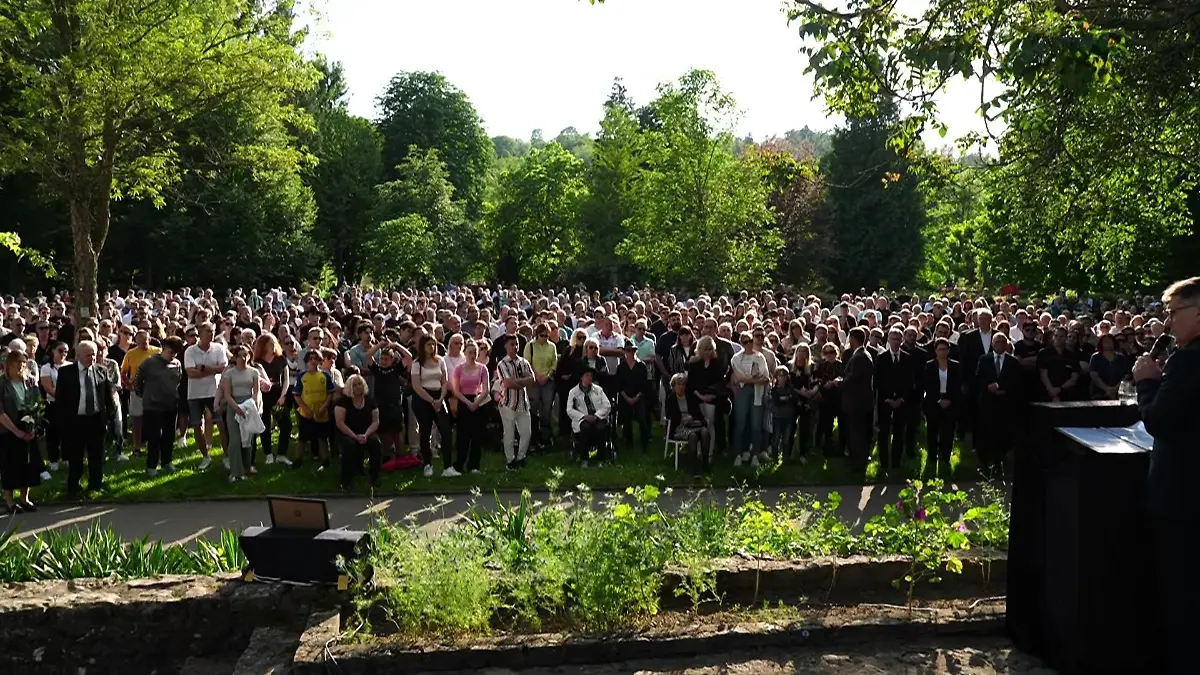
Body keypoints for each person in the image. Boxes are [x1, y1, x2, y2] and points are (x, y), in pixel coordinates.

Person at [1133, 276, 1200, 675]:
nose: (1168, 323)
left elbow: (1159, 420)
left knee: (1183, 599)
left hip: (1182, 498)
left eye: (1175, 313)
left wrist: (1145, 385)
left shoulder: (1189, 360)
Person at [55, 341, 116, 496]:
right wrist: (64, 422)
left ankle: (95, 485)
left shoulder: (101, 371)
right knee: (76, 455)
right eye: (88, 355)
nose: (92, 358)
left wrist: (108, 418)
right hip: (75, 420)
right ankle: (74, 486)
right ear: (78, 356)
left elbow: (108, 398)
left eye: (94, 354)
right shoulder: (66, 373)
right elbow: (60, 400)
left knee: (97, 454)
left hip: (96, 419)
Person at [135, 336, 184, 476]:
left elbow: (178, 381)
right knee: (154, 437)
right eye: (171, 352)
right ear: (164, 349)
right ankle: (151, 466)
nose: (173, 355)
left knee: (169, 436)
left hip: (170, 405)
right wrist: (145, 395)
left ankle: (167, 462)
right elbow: (138, 381)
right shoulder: (149, 363)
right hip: (152, 406)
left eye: (175, 353)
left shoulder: (177, 364)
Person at [974, 332, 1021, 478]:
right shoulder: (984, 359)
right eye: (997, 341)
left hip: (1005, 404)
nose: (1000, 344)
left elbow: (1017, 382)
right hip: (987, 403)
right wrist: (988, 386)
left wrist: (1004, 389)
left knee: (1002, 434)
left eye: (1003, 341)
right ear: (993, 344)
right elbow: (978, 378)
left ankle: (998, 463)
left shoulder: (1013, 362)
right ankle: (985, 463)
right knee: (986, 432)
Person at [0, 348, 40, 514]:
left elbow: (37, 403)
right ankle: (9, 501)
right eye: (18, 363)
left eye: (24, 362)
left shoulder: (30, 381)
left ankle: (25, 499)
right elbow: (0, 412)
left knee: (28, 465)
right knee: (9, 466)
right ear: (9, 365)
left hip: (28, 428)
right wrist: (16, 431)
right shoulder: (2, 383)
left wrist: (32, 427)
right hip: (8, 430)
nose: (21, 366)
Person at [184, 323, 228, 470]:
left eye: (213, 331)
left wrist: (202, 368)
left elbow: (223, 368)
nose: (211, 334)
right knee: (197, 425)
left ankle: (227, 456)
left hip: (214, 392)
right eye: (208, 331)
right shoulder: (190, 351)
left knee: (221, 424)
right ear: (200, 332)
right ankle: (206, 456)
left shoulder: (219, 348)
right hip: (195, 394)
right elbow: (190, 372)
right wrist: (212, 370)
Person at [410, 335, 453, 477]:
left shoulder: (440, 361)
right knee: (425, 431)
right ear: (422, 346)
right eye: (428, 344)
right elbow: (416, 386)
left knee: (446, 430)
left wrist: (440, 398)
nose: (432, 347)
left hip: (439, 396)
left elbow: (444, 381)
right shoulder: (417, 363)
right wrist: (431, 400)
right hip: (423, 398)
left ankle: (448, 466)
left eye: (433, 344)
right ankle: (427, 464)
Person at [219, 344, 263, 483]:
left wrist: (253, 405)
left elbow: (256, 392)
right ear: (235, 357)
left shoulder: (254, 372)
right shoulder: (229, 373)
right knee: (235, 439)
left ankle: (247, 467)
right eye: (241, 355)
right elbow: (227, 393)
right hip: (234, 405)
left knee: (247, 439)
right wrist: (236, 407)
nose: (244, 358)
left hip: (248, 405)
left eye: (247, 355)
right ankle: (235, 471)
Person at [922, 338, 961, 478]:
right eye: (940, 349)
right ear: (935, 351)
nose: (942, 352)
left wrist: (949, 399)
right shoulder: (930, 365)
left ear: (949, 350)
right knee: (932, 430)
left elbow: (957, 385)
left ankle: (945, 456)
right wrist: (937, 400)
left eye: (945, 349)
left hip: (950, 402)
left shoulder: (955, 366)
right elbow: (927, 385)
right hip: (934, 402)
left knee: (948, 430)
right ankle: (932, 456)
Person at [334, 374, 381, 492]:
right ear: (350, 387)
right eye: (355, 385)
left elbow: (375, 421)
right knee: (349, 445)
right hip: (347, 433)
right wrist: (355, 436)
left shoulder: (370, 401)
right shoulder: (342, 402)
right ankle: (346, 481)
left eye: (360, 384)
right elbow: (340, 423)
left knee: (376, 443)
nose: (358, 387)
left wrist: (366, 435)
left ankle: (375, 476)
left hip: (366, 432)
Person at [450, 340, 490, 475]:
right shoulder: (459, 369)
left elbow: (486, 389)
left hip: (479, 401)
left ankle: (474, 465)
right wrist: (468, 403)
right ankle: (459, 464)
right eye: (470, 352)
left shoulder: (483, 368)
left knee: (477, 436)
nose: (472, 355)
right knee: (463, 435)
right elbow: (456, 390)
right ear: (465, 353)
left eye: (475, 353)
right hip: (463, 401)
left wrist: (476, 402)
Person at [495, 336, 535, 470]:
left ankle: (521, 457)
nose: (515, 347)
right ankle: (510, 460)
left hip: (523, 403)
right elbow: (506, 383)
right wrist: (522, 382)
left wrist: (517, 382)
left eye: (516, 344)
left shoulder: (524, 362)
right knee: (509, 434)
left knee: (526, 433)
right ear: (506, 346)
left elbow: (532, 378)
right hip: (508, 404)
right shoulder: (502, 364)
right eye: (512, 344)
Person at [730, 333, 770, 466]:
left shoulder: (760, 357)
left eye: (750, 341)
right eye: (745, 342)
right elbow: (739, 378)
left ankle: (755, 455)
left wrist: (751, 380)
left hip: (757, 392)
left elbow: (766, 377)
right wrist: (754, 379)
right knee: (740, 423)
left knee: (756, 425)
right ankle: (738, 454)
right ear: (741, 343)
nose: (748, 344)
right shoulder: (736, 358)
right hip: (742, 392)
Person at [120, 329, 160, 460]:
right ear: (136, 341)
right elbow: (123, 372)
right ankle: (136, 447)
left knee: (154, 419)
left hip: (154, 390)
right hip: (137, 391)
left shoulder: (157, 352)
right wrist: (129, 386)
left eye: (147, 340)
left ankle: (154, 445)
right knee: (137, 419)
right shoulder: (130, 354)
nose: (145, 343)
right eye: (141, 341)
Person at [840, 327, 875, 473]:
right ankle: (858, 459)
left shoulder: (860, 356)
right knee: (858, 432)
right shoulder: (862, 354)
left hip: (857, 403)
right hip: (860, 401)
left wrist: (839, 383)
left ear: (853, 339)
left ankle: (858, 463)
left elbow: (853, 379)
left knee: (857, 433)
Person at [292, 350, 334, 470]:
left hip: (321, 412)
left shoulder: (325, 376)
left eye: (316, 359)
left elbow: (330, 393)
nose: (313, 361)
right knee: (302, 438)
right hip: (306, 413)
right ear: (306, 361)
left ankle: (325, 460)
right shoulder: (302, 376)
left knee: (322, 437)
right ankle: (298, 459)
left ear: (320, 361)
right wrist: (305, 408)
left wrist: (324, 407)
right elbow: (297, 395)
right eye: (310, 359)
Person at [664, 372, 709, 475]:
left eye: (683, 384)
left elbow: (698, 414)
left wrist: (691, 417)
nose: (681, 387)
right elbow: (669, 415)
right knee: (692, 436)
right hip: (678, 427)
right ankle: (693, 466)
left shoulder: (690, 397)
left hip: (693, 424)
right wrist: (681, 419)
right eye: (678, 385)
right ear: (673, 386)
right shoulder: (670, 398)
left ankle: (705, 463)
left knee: (705, 432)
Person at [566, 365, 611, 467]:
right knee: (585, 428)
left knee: (601, 427)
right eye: (587, 375)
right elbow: (569, 410)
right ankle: (584, 458)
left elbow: (607, 405)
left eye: (591, 376)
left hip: (598, 417)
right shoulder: (573, 392)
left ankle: (601, 458)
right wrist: (584, 416)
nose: (589, 378)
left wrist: (596, 416)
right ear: (581, 377)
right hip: (583, 419)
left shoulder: (598, 390)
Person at [523, 323, 558, 449]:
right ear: (537, 334)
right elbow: (527, 362)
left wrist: (548, 376)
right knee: (533, 408)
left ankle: (546, 437)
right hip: (533, 381)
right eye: (542, 335)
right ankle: (532, 437)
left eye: (547, 336)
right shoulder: (530, 346)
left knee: (547, 408)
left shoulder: (552, 346)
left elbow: (554, 363)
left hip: (547, 381)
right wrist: (537, 376)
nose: (544, 338)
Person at [614, 338, 651, 452]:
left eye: (633, 350)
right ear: (625, 352)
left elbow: (644, 384)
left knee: (642, 420)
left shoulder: (641, 366)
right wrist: (626, 397)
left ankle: (645, 444)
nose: (631, 352)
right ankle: (628, 443)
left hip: (638, 397)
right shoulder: (621, 367)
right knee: (626, 421)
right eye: (628, 350)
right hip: (625, 397)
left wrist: (636, 398)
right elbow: (619, 385)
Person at [38, 340, 69, 472]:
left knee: (68, 433)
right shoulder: (46, 368)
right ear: (53, 351)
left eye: (66, 351)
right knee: (53, 433)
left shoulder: (70, 366)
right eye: (60, 350)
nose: (63, 354)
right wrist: (66, 396)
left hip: (69, 405)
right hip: (53, 405)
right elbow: (48, 387)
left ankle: (67, 458)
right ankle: (53, 460)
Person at [767, 365, 797, 462]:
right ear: (776, 377)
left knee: (786, 438)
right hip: (777, 416)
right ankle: (774, 457)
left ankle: (786, 457)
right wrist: (785, 399)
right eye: (780, 376)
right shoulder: (774, 390)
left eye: (784, 376)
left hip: (788, 416)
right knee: (776, 438)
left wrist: (787, 398)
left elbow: (793, 399)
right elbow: (776, 402)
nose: (782, 378)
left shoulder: (790, 389)